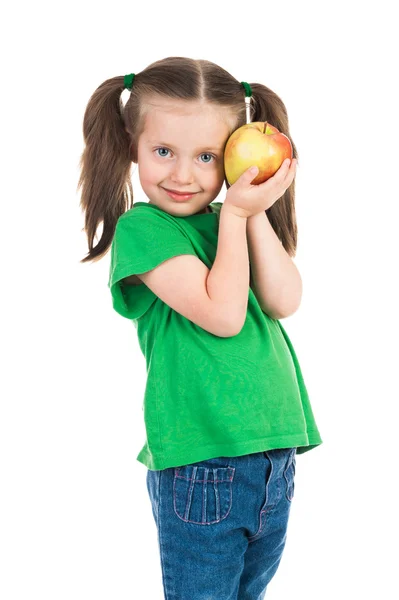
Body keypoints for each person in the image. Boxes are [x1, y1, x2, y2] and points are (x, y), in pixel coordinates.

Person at [78, 56, 323, 600]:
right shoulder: (145, 228)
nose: (184, 174)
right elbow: (223, 312)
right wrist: (235, 216)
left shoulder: (230, 218)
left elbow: (285, 299)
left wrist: (249, 208)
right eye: (163, 151)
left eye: (208, 156)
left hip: (272, 456)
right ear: (130, 146)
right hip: (201, 465)